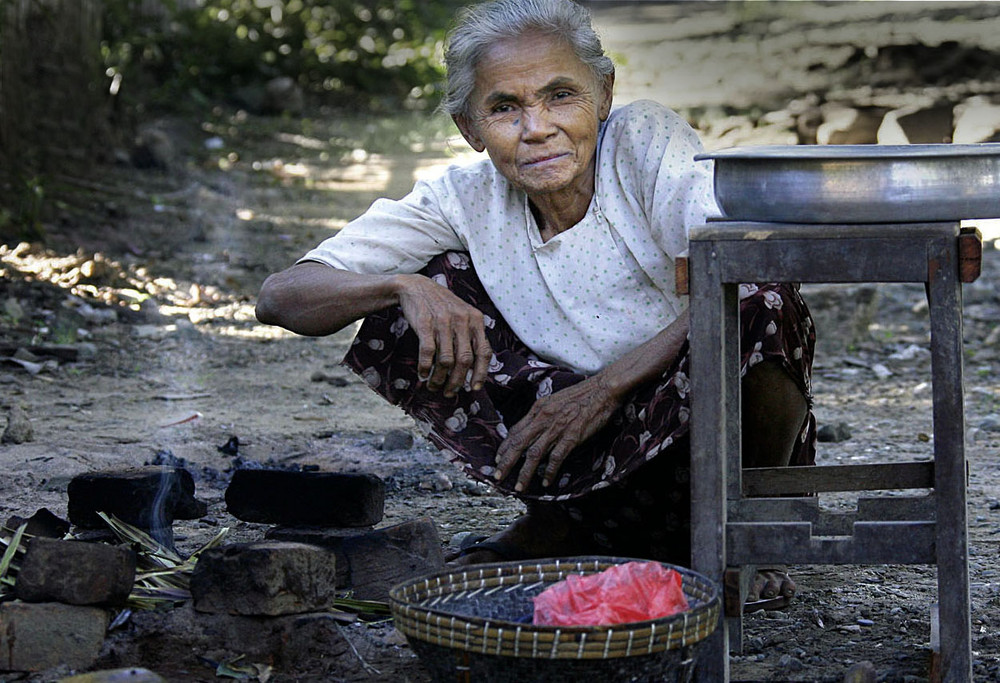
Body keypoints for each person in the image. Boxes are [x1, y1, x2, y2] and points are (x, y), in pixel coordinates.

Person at [256, 0, 815, 608]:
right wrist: (402, 287)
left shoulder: (644, 142)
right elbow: (282, 297)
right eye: (504, 108)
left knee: (761, 298)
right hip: (578, 456)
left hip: (706, 441)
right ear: (470, 129)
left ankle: (749, 536)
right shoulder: (462, 197)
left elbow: (747, 271)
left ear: (603, 94)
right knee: (430, 284)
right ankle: (559, 522)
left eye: (560, 96)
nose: (538, 128)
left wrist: (605, 388)